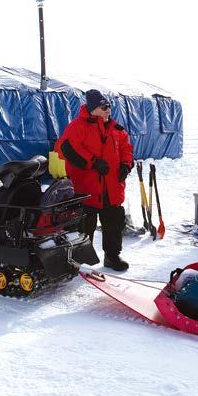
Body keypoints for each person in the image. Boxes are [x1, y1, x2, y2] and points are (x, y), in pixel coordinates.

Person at [56, 89, 134, 271]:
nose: (108, 110)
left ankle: (112, 256)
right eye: (104, 106)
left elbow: (126, 149)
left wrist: (125, 165)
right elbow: (69, 149)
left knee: (113, 222)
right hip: (87, 187)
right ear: (92, 109)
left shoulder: (117, 129)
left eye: (109, 106)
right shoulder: (77, 126)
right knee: (85, 224)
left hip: (112, 187)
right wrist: (93, 162)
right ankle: (80, 260)